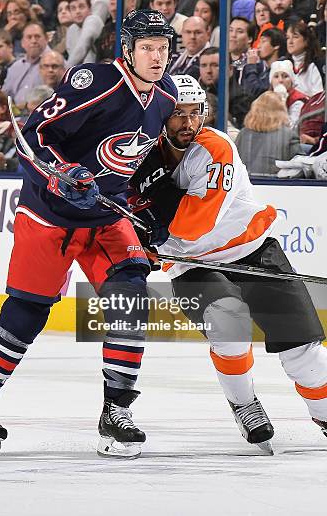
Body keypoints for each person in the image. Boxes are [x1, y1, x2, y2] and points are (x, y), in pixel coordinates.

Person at [0, 9, 177, 458]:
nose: (158, 57)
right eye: (148, 48)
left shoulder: (165, 98)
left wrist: (146, 209)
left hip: (105, 217)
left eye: (164, 48)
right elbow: (31, 136)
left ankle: (116, 411)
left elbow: (134, 166)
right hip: (50, 214)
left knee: (130, 301)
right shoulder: (95, 82)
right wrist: (59, 174)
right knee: (27, 311)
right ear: (128, 49)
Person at [129, 75, 327, 452]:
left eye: (194, 113)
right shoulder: (137, 153)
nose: (187, 123)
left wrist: (150, 226)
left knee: (306, 355)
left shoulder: (216, 148)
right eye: (177, 115)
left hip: (253, 250)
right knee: (228, 320)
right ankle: (244, 403)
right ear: (159, 116)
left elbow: (194, 223)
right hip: (194, 265)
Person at [3, 22, 50, 105]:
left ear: (46, 39)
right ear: (22, 43)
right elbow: (5, 95)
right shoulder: (15, 67)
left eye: (37, 36)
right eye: (29, 37)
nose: (33, 41)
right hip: (15, 114)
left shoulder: (55, 63)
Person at [65, 0, 103, 67]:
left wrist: (65, 71)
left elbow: (83, 46)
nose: (77, 11)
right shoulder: (71, 30)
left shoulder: (93, 20)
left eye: (81, 7)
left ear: (90, 9)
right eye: (73, 8)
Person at [286, 20, 324, 97]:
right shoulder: (283, 64)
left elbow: (318, 100)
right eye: (288, 38)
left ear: (306, 41)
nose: (290, 42)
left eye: (295, 37)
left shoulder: (316, 65)